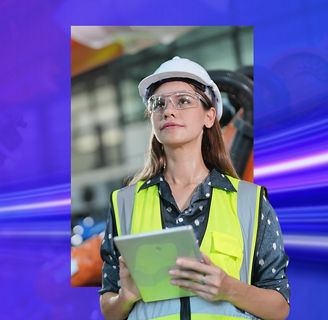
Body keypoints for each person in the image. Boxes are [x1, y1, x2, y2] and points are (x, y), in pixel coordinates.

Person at [99, 56, 290, 320]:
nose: (168, 111)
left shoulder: (250, 201)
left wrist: (228, 288)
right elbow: (109, 310)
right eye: (158, 104)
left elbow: (279, 307)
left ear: (209, 116)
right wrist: (126, 297)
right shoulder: (124, 203)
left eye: (183, 101)